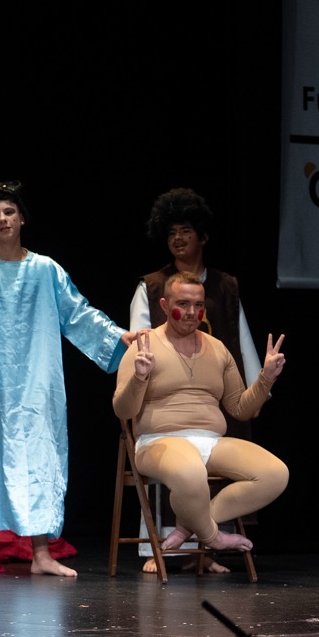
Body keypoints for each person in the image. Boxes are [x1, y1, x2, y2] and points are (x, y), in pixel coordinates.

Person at [0, 181, 137, 578]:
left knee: (42, 456)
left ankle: (41, 554)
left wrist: (116, 336)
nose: (3, 219)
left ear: (22, 218)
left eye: (9, 212)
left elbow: (77, 313)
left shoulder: (46, 270)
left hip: (37, 380)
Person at [130, 188, 263, 572]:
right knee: (175, 465)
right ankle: (171, 547)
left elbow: (239, 338)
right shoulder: (154, 285)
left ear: (203, 236)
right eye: (171, 232)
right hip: (163, 396)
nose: (178, 239)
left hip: (215, 390)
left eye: (186, 230)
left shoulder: (224, 285)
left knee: (236, 459)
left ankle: (199, 545)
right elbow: (138, 338)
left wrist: (259, 380)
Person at [112, 271, 288, 555]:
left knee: (275, 474)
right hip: (158, 442)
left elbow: (240, 409)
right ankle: (213, 537)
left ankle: (190, 526)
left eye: (199, 305)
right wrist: (139, 378)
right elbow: (122, 409)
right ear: (165, 306)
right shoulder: (143, 347)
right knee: (190, 470)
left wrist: (265, 378)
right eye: (183, 304)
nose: (192, 312)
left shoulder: (217, 349)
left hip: (210, 441)